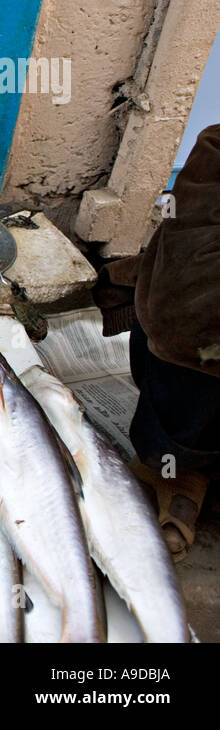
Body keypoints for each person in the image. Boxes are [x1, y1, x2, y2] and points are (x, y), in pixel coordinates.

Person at [95, 123, 220, 561]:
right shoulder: (216, 152)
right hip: (192, 329)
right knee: (197, 317)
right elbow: (186, 305)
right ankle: (175, 464)